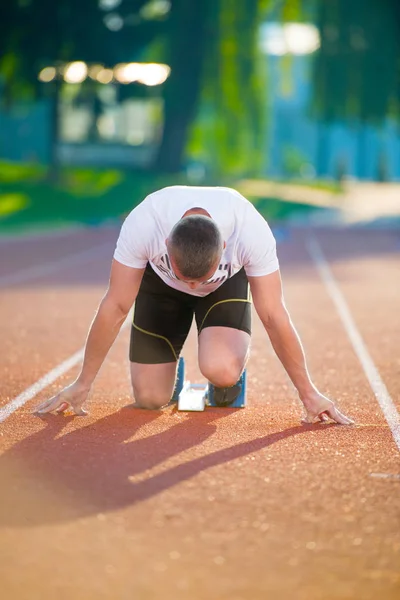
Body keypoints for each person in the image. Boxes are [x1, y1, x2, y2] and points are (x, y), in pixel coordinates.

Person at [35, 185, 353, 425]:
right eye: (185, 278)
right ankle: (169, 373)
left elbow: (273, 314)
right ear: (166, 246)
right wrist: (83, 383)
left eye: (199, 279)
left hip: (224, 287)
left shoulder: (250, 230)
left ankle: (227, 374)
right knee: (149, 399)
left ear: (225, 248)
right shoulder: (145, 223)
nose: (192, 288)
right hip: (160, 288)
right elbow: (116, 305)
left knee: (220, 369)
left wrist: (309, 393)